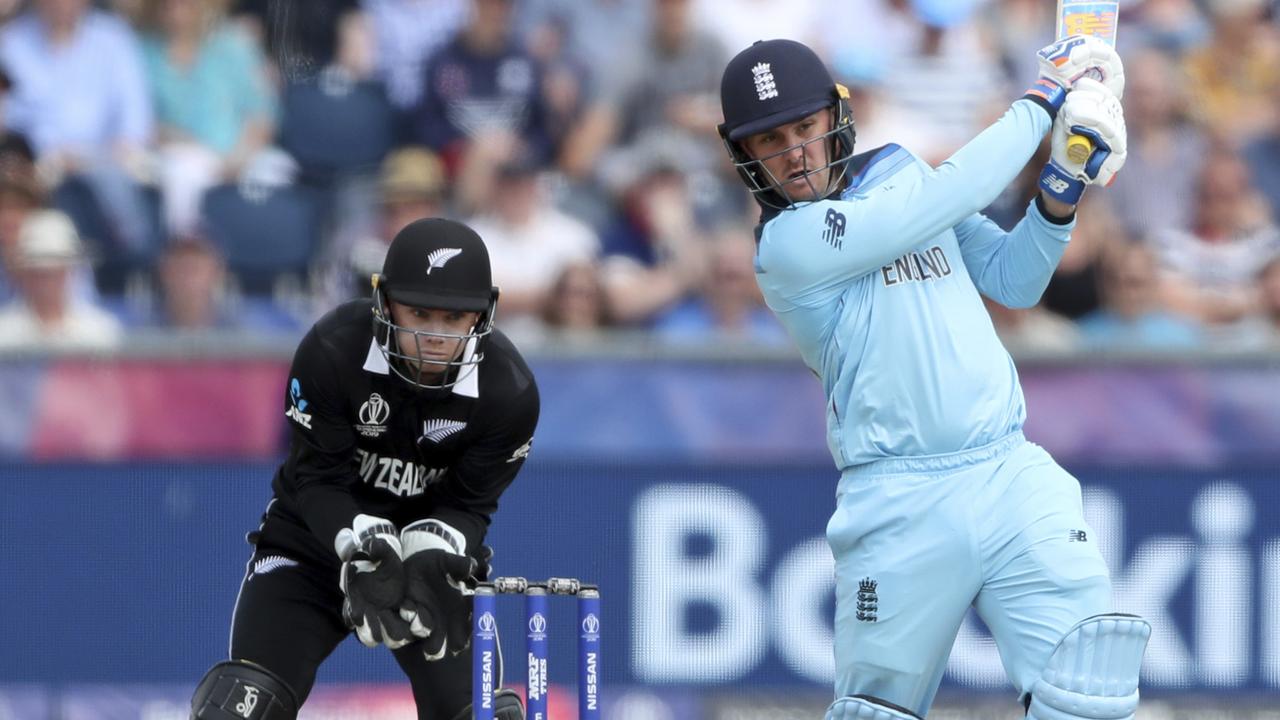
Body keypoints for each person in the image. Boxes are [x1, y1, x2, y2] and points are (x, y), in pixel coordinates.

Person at [716, 37, 1148, 720]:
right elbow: (946, 196)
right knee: (874, 713)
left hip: (1008, 471)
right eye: (772, 139)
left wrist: (1060, 185)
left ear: (835, 117)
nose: (796, 152)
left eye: (805, 127)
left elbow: (1014, 279)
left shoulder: (898, 170)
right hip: (897, 500)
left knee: (1089, 689)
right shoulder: (786, 249)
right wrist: (1044, 97)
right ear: (744, 155)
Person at [190, 218, 535, 720]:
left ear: (482, 316)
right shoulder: (332, 350)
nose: (434, 336)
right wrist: (356, 541)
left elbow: (471, 503)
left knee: (480, 715)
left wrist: (434, 545)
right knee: (241, 707)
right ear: (384, 301)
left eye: (454, 318)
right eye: (418, 312)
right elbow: (315, 478)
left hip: (428, 562)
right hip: (313, 546)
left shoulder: (510, 392)